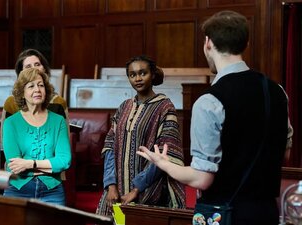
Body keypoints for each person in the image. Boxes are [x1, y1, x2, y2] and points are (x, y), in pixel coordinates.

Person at [137, 10, 293, 225]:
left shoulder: (209, 101)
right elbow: (284, 154)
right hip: (267, 211)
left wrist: (164, 164)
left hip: (225, 213)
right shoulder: (277, 91)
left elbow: (202, 179)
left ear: (208, 43)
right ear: (246, 43)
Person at [96, 55, 185, 217]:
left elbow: (166, 154)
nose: (137, 78)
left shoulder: (165, 107)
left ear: (153, 75)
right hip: (116, 189)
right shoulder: (124, 107)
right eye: (132, 74)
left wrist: (136, 189)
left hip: (149, 190)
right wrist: (111, 185)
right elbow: (109, 145)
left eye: (143, 73)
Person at [2, 68, 71, 206]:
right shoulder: (11, 123)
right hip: (18, 188)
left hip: (52, 190)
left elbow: (64, 161)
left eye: (41, 85)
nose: (37, 89)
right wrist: (49, 166)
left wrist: (29, 164)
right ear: (22, 92)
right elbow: (14, 166)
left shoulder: (58, 121)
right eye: (31, 86)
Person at [3, 48, 68, 122]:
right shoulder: (11, 103)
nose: (34, 69)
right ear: (21, 73)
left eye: (37, 64)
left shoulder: (59, 102)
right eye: (28, 66)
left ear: (44, 69)